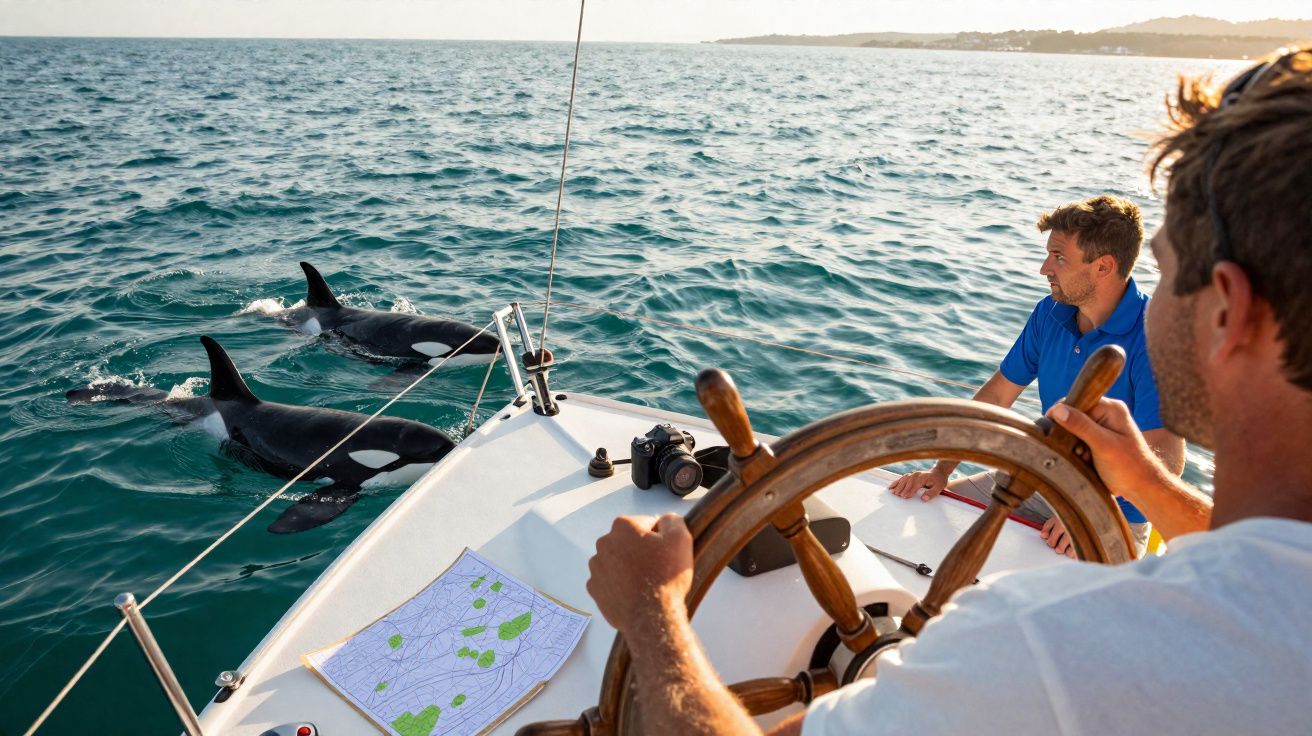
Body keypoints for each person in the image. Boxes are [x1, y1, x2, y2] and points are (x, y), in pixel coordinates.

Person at [584, 47, 1312, 735]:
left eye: (1167, 272)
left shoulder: (1043, 643)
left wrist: (652, 613)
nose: (1155, 309)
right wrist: (1148, 488)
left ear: (1227, 310)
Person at [887, 195, 1185, 556]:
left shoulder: (1155, 338)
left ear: (1104, 267)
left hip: (1113, 514)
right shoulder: (1051, 313)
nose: (1045, 268)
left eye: (1059, 257)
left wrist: (1091, 509)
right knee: (925, 511)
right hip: (1038, 479)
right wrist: (941, 469)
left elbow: (1169, 459)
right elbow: (997, 397)